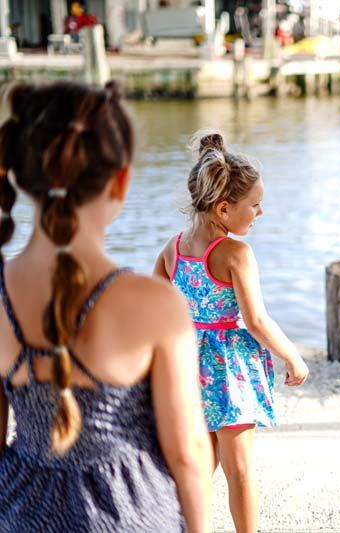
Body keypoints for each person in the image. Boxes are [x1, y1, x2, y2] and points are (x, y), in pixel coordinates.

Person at [0, 81, 212, 532]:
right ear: (121, 179)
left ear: (20, 173)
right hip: (128, 512)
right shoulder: (156, 305)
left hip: (21, 511)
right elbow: (188, 451)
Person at [154, 131, 309, 533]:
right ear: (224, 208)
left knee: (200, 464)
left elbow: (157, 302)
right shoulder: (236, 253)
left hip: (190, 367)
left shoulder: (174, 247)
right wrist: (291, 355)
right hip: (229, 371)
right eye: (255, 205)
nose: (260, 213)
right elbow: (256, 320)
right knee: (239, 468)